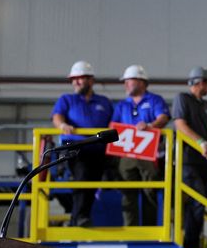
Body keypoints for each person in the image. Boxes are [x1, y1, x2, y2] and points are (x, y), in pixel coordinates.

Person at [51, 60, 114, 227]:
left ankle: (79, 217)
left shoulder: (104, 102)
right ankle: (79, 218)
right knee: (83, 176)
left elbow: (114, 123)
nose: (75, 82)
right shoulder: (67, 99)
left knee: (94, 181)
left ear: (91, 80)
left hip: (99, 150)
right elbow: (57, 117)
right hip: (76, 149)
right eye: (73, 79)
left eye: (80, 78)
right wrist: (62, 125)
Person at [111, 64, 170, 226]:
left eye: (129, 81)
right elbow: (112, 125)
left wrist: (150, 126)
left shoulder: (154, 100)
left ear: (141, 82)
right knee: (127, 191)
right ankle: (130, 230)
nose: (126, 85)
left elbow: (163, 118)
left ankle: (150, 231)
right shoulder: (122, 105)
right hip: (127, 154)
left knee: (149, 191)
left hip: (148, 154)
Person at [172, 66, 207, 248]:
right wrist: (200, 142)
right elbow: (180, 124)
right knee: (197, 201)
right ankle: (189, 247)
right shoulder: (182, 99)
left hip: (205, 163)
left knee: (201, 203)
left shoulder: (206, 105)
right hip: (188, 161)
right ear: (200, 82)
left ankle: (192, 244)